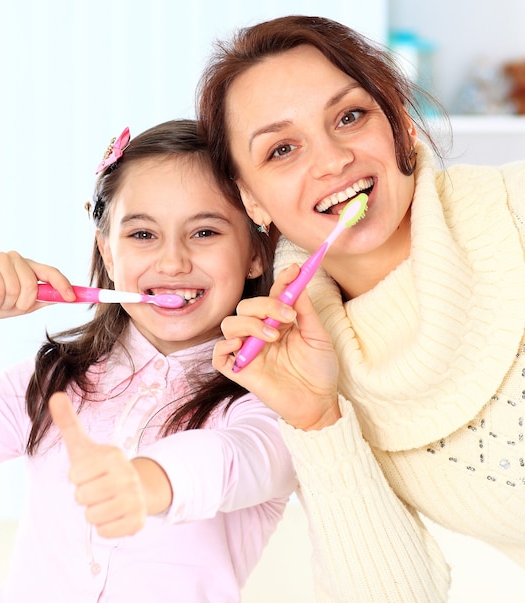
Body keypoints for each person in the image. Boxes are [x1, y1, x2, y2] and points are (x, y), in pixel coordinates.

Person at [196, 14, 525, 602]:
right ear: (251, 199)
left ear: (399, 120)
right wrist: (315, 420)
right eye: (282, 149)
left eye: (350, 117)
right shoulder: (310, 366)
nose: (332, 160)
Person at [0, 119, 297, 602]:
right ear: (107, 252)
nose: (172, 262)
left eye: (205, 232)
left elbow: (243, 458)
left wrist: (149, 480)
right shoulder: (51, 382)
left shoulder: (269, 399)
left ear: (257, 254)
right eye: (143, 235)